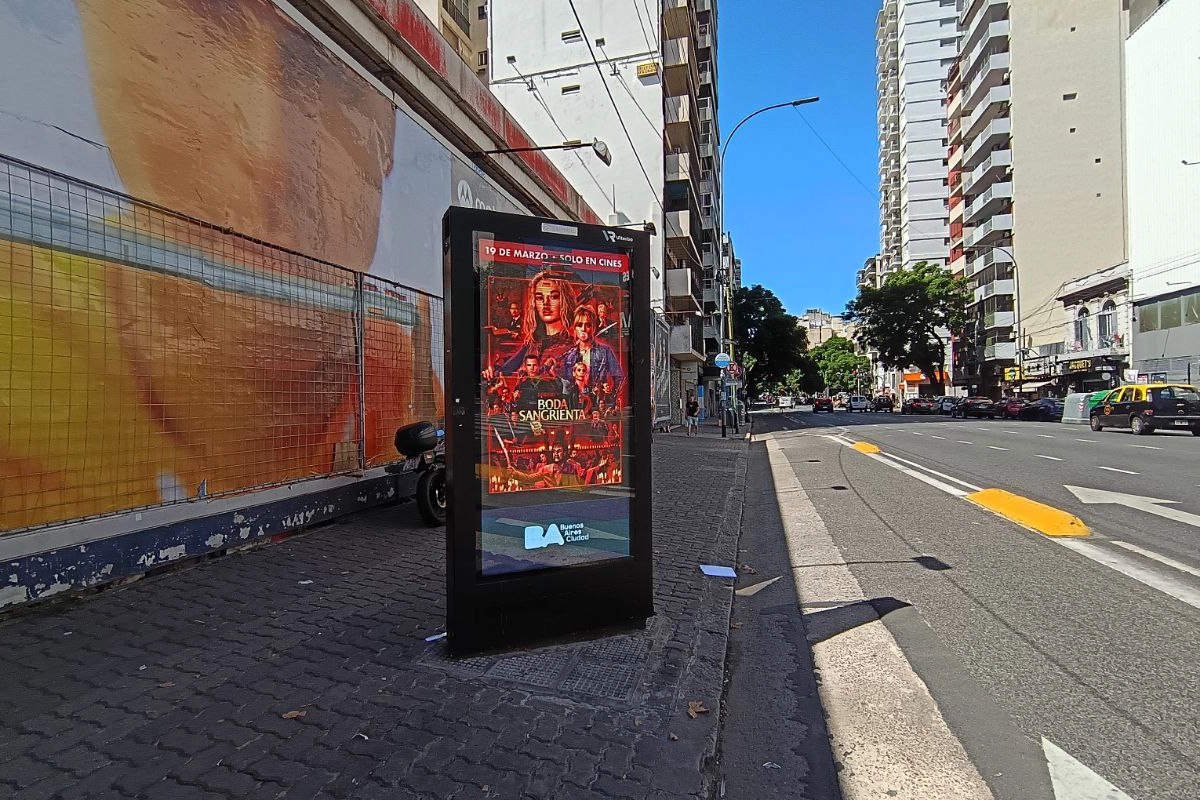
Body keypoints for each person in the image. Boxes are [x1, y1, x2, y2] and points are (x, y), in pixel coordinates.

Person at [488, 270, 578, 377]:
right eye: (539, 298)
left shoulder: (573, 345)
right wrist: (491, 375)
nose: (545, 304)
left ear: (565, 300)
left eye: (553, 297)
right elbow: (506, 370)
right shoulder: (532, 343)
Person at [559, 306, 625, 403]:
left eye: (588, 325)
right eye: (579, 325)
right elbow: (564, 382)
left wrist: (611, 396)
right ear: (575, 328)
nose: (583, 329)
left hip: (597, 404)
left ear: (593, 328)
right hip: (575, 405)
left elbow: (619, 376)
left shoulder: (605, 351)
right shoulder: (569, 355)